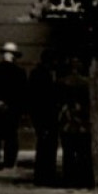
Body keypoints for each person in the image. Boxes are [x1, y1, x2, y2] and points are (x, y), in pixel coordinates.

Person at [0, 42, 29, 170]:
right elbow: (22, 92)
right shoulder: (19, 72)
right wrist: (16, 107)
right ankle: (9, 161)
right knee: (11, 136)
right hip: (12, 109)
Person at [28, 51, 62, 185]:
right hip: (43, 114)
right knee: (45, 145)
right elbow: (36, 97)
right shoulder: (39, 74)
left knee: (49, 145)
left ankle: (47, 174)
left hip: (48, 115)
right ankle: (44, 175)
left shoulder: (48, 74)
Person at [58, 60, 93, 189]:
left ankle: (69, 178)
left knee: (68, 152)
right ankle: (84, 178)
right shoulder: (87, 83)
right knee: (83, 151)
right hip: (83, 121)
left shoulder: (61, 82)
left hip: (67, 121)